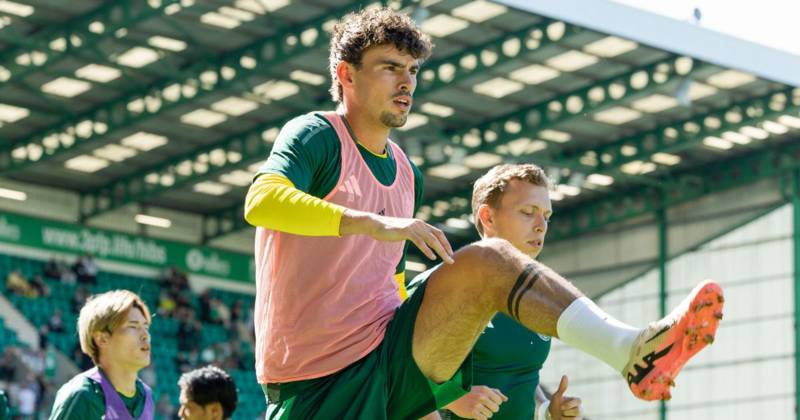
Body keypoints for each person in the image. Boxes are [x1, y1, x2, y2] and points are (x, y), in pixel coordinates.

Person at [244, 7, 724, 419]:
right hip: (315, 379)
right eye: (390, 68)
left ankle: (631, 351)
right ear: (347, 75)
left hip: (383, 356)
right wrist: (373, 222)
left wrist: (441, 394)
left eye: (412, 70)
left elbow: (388, 282)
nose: (407, 82)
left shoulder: (407, 173)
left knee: (489, 259)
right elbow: (260, 200)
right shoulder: (317, 135)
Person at [415, 165, 582, 420]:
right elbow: (392, 370)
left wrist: (546, 410)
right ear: (488, 217)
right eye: (528, 212)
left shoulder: (537, 296)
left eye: (547, 216)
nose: (541, 226)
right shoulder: (442, 286)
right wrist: (451, 397)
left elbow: (519, 375)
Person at [49, 290, 154, 420]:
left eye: (146, 327)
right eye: (133, 326)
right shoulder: (82, 396)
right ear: (102, 339)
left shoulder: (147, 396)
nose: (146, 335)